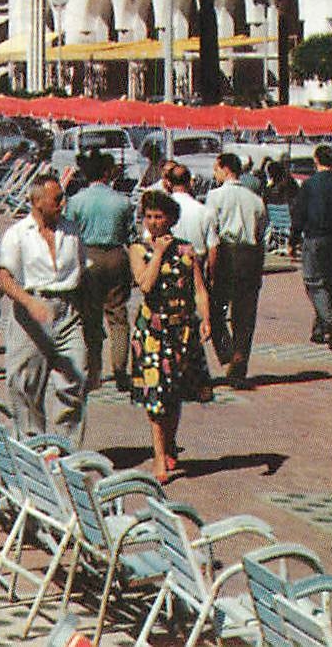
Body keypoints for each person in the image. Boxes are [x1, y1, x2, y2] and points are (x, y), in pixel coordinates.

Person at [0, 173, 89, 445]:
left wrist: (91, 319)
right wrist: (29, 301)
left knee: (74, 379)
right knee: (25, 384)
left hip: (68, 311)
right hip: (31, 313)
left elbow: (84, 272)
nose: (63, 203)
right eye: (57, 199)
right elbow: (4, 276)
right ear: (37, 202)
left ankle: (66, 448)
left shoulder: (71, 230)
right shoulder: (17, 234)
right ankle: (32, 444)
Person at [128, 191, 213, 484]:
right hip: (153, 332)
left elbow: (200, 289)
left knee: (174, 393)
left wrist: (206, 319)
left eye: (159, 217)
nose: (153, 222)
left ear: (171, 219)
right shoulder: (138, 250)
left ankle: (170, 444)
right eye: (149, 217)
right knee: (155, 396)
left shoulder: (188, 250)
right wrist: (160, 252)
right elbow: (146, 284)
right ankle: (158, 454)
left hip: (182, 330)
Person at [68, 151, 136, 392]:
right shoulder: (122, 201)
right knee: (118, 316)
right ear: (107, 173)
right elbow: (131, 233)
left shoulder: (76, 201)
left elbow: (69, 233)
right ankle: (120, 369)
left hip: (89, 256)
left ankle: (94, 372)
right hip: (117, 255)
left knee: (90, 316)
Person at [203, 153, 268, 389]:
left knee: (216, 306)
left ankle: (227, 351)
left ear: (225, 169)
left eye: (216, 169)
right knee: (245, 311)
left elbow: (211, 229)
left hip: (226, 253)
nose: (214, 174)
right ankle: (241, 357)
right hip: (250, 254)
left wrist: (210, 266)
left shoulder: (215, 196)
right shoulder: (256, 200)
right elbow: (261, 231)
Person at [293, 144, 332, 350]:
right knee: (328, 284)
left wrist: (293, 239)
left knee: (312, 282)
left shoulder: (309, 185)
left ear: (316, 160)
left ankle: (329, 320)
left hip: (314, 237)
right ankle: (319, 329)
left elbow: (299, 213)